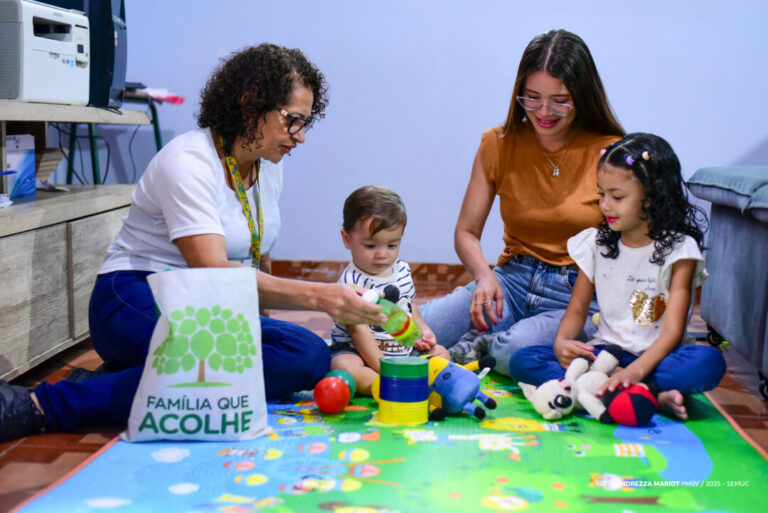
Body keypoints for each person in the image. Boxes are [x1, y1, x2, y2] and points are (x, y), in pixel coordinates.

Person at [0, 43, 387, 441]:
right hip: (134, 293)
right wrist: (324, 297)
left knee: (304, 353)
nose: (301, 137)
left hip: (207, 305)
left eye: (306, 123)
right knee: (269, 357)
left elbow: (258, 252)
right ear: (251, 103)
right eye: (293, 121)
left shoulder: (269, 167)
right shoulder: (188, 160)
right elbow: (212, 270)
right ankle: (40, 405)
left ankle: (131, 377)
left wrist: (268, 328)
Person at [419, 29, 624, 376]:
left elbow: (623, 246)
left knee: (512, 351)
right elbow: (466, 231)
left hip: (576, 293)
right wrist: (484, 278)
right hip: (510, 282)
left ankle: (479, 346)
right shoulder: (497, 142)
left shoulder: (612, 151)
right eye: (531, 98)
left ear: (583, 96)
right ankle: (476, 342)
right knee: (416, 330)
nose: (544, 111)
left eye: (560, 100)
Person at [508, 133, 727, 420]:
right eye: (601, 194)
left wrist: (635, 371)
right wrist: (562, 342)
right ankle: (643, 395)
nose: (605, 205)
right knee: (524, 360)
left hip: (658, 357)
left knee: (709, 362)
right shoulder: (597, 244)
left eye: (617, 196)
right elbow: (576, 310)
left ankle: (611, 389)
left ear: (651, 198)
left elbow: (673, 332)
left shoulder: (679, 250)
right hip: (605, 356)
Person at [329, 186, 450, 395]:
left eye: (392, 245)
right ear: (347, 239)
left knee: (442, 354)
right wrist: (384, 366)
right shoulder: (350, 283)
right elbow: (359, 332)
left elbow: (409, 306)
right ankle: (387, 386)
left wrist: (423, 331)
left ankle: (405, 379)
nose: (382, 255)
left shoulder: (402, 270)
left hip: (402, 350)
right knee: (343, 366)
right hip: (359, 352)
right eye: (370, 246)